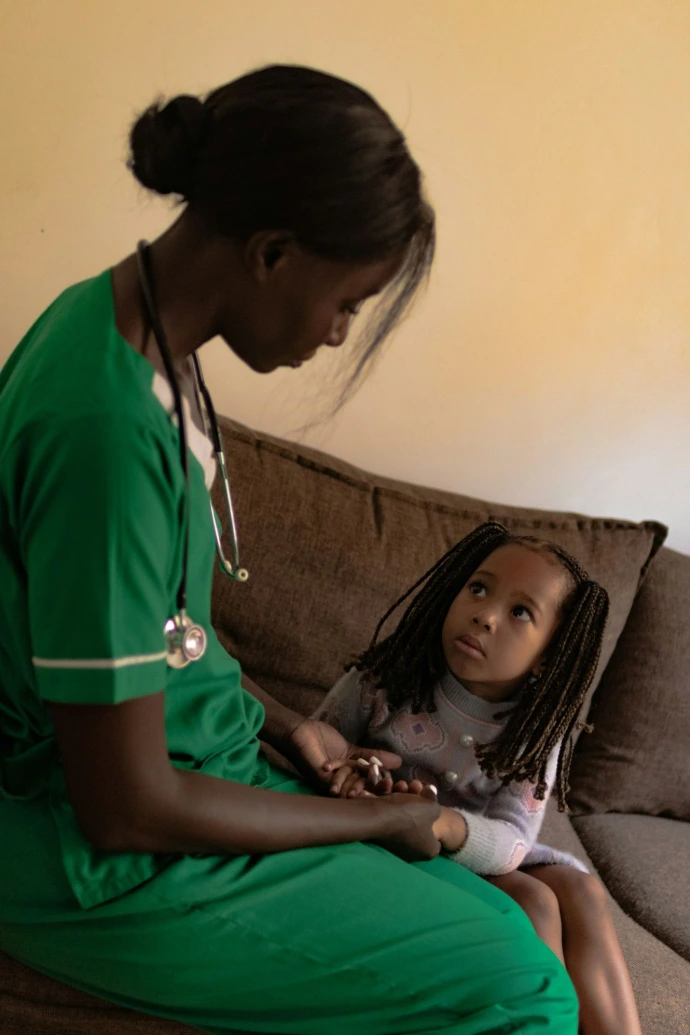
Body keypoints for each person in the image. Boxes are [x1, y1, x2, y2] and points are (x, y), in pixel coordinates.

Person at [0, 65, 578, 1034]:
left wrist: (287, 725)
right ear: (272, 252)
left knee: (514, 916)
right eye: (348, 302)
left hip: (198, 767)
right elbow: (125, 807)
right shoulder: (100, 425)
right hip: (99, 853)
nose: (340, 331)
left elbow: (162, 632)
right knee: (523, 991)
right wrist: (377, 817)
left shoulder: (144, 343)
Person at [317, 521, 643, 1035]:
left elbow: (514, 841)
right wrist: (348, 771)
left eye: (520, 612)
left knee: (579, 891)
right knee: (536, 900)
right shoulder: (386, 676)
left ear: (546, 659)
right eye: (478, 588)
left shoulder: (536, 732)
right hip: (393, 841)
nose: (485, 614)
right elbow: (318, 748)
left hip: (471, 847)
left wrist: (446, 824)